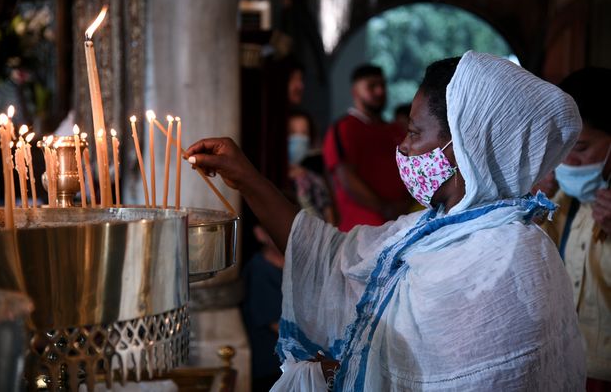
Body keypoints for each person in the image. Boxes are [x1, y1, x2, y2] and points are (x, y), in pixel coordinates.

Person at [186, 52, 585, 390]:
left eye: (414, 132)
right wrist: (246, 178)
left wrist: (341, 373)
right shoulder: (433, 229)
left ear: (463, 144)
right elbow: (331, 258)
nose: (404, 147)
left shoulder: (507, 256)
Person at [540, 67, 611, 391]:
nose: (568, 161)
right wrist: (536, 207)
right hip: (566, 367)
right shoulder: (563, 202)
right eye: (562, 147)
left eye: (581, 148)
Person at [323, 64, 410, 231]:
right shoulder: (343, 128)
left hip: (403, 221)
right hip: (364, 228)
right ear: (355, 91)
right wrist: (385, 208)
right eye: (372, 86)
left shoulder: (396, 129)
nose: (380, 91)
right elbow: (345, 177)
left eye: (382, 85)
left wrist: (405, 204)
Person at [242, 224, 285, 391]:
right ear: (260, 234)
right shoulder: (260, 270)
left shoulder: (295, 267)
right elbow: (278, 326)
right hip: (271, 370)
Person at [287, 111, 335, 223]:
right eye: (293, 132)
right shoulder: (270, 177)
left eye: (303, 133)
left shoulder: (314, 179)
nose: (298, 138)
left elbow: (329, 215)